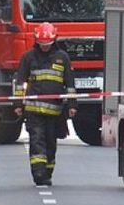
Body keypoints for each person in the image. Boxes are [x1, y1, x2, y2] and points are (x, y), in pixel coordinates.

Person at [13, 22, 77, 186]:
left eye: (47, 44)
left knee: (50, 143)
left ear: (54, 40)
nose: (44, 47)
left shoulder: (62, 58)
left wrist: (72, 105)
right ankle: (39, 173)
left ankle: (48, 170)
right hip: (34, 111)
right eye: (42, 44)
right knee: (37, 141)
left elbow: (69, 84)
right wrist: (18, 104)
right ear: (37, 41)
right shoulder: (29, 57)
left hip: (54, 111)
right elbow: (20, 82)